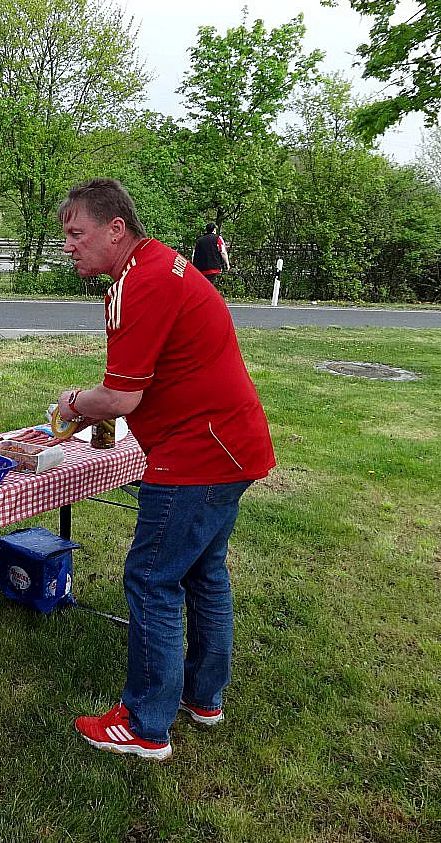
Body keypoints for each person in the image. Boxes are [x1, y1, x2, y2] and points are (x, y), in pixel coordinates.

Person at [54, 179, 274, 761]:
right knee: (204, 572)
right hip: (231, 445)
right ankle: (204, 696)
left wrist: (71, 405)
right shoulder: (158, 266)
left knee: (152, 579)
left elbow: (121, 398)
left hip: (197, 455)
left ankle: (146, 723)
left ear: (115, 229)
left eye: (77, 234)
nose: (69, 246)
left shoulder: (142, 282)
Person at [192, 222, 230, 286]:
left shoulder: (199, 240)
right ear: (214, 230)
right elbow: (223, 251)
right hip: (213, 267)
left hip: (201, 269)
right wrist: (227, 264)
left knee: (203, 286)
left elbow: (194, 254)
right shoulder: (218, 238)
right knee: (211, 287)